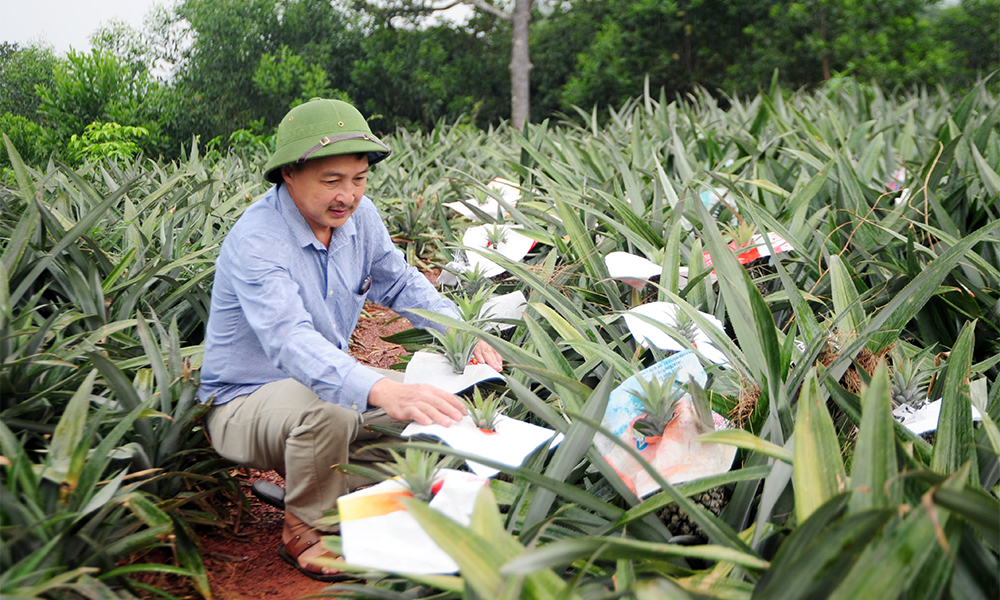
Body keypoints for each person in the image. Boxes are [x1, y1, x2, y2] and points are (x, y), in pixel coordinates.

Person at [196, 98, 503, 581]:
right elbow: (288, 339)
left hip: (321, 389)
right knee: (337, 409)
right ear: (289, 175)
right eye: (331, 180)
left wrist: (460, 334)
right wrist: (382, 389)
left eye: (358, 179)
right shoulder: (258, 240)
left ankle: (321, 487)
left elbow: (400, 283)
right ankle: (305, 530)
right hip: (244, 403)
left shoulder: (360, 220)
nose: (348, 195)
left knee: (436, 414)